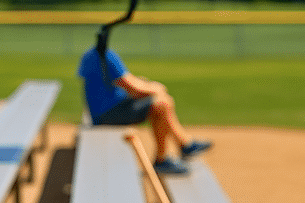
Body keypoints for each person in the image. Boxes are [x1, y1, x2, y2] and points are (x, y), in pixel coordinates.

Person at [77, 45, 211, 174]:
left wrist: (147, 87)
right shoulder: (105, 56)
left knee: (161, 102)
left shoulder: (90, 55)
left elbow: (118, 85)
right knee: (162, 104)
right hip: (106, 115)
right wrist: (156, 88)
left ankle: (184, 144)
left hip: (103, 111)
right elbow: (132, 87)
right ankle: (163, 159)